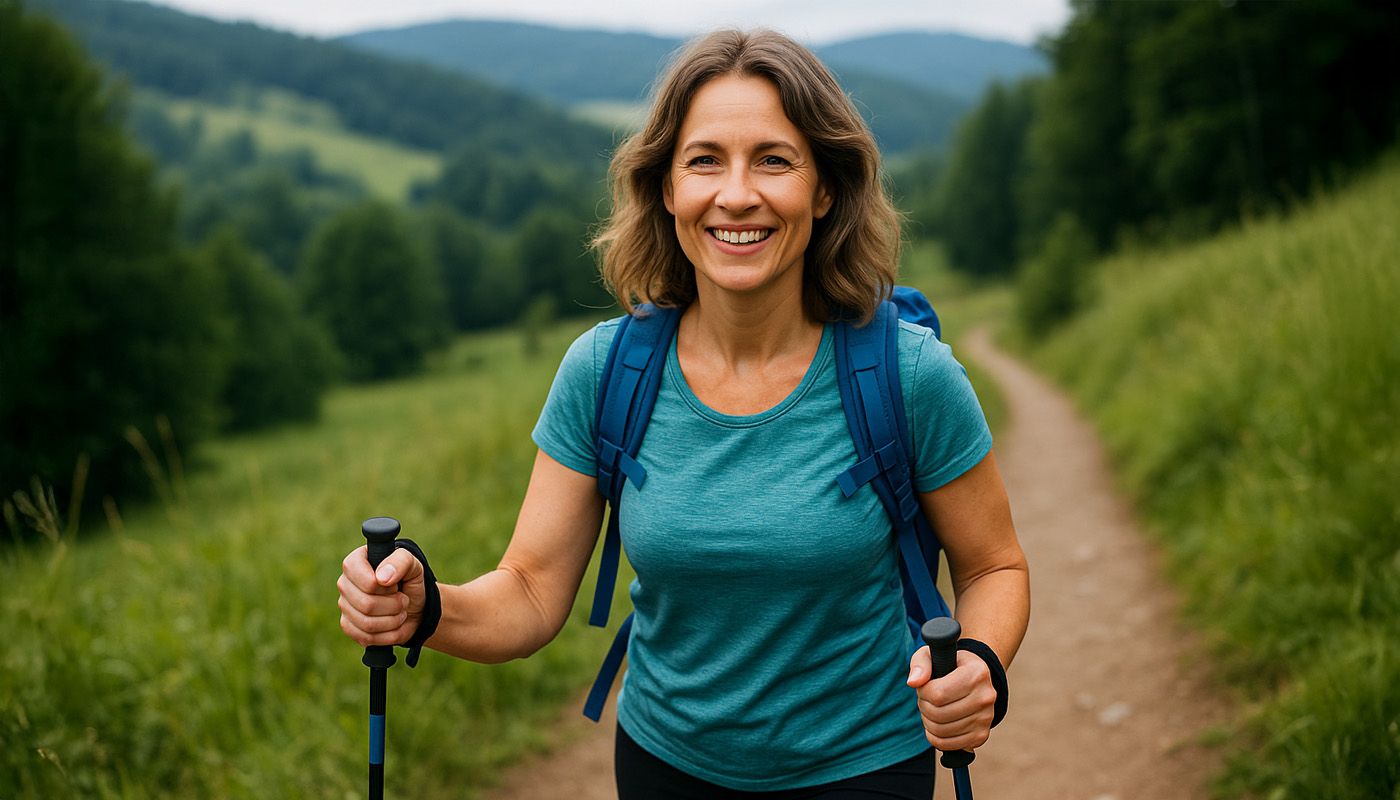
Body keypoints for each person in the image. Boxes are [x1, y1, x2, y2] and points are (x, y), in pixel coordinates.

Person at [338, 28, 1030, 799]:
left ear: (825, 189)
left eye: (774, 159)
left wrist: (980, 662)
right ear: (667, 189)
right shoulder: (606, 372)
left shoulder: (907, 373)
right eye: (704, 160)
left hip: (864, 765)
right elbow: (529, 592)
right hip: (663, 764)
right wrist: (426, 606)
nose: (736, 194)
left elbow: (993, 566)